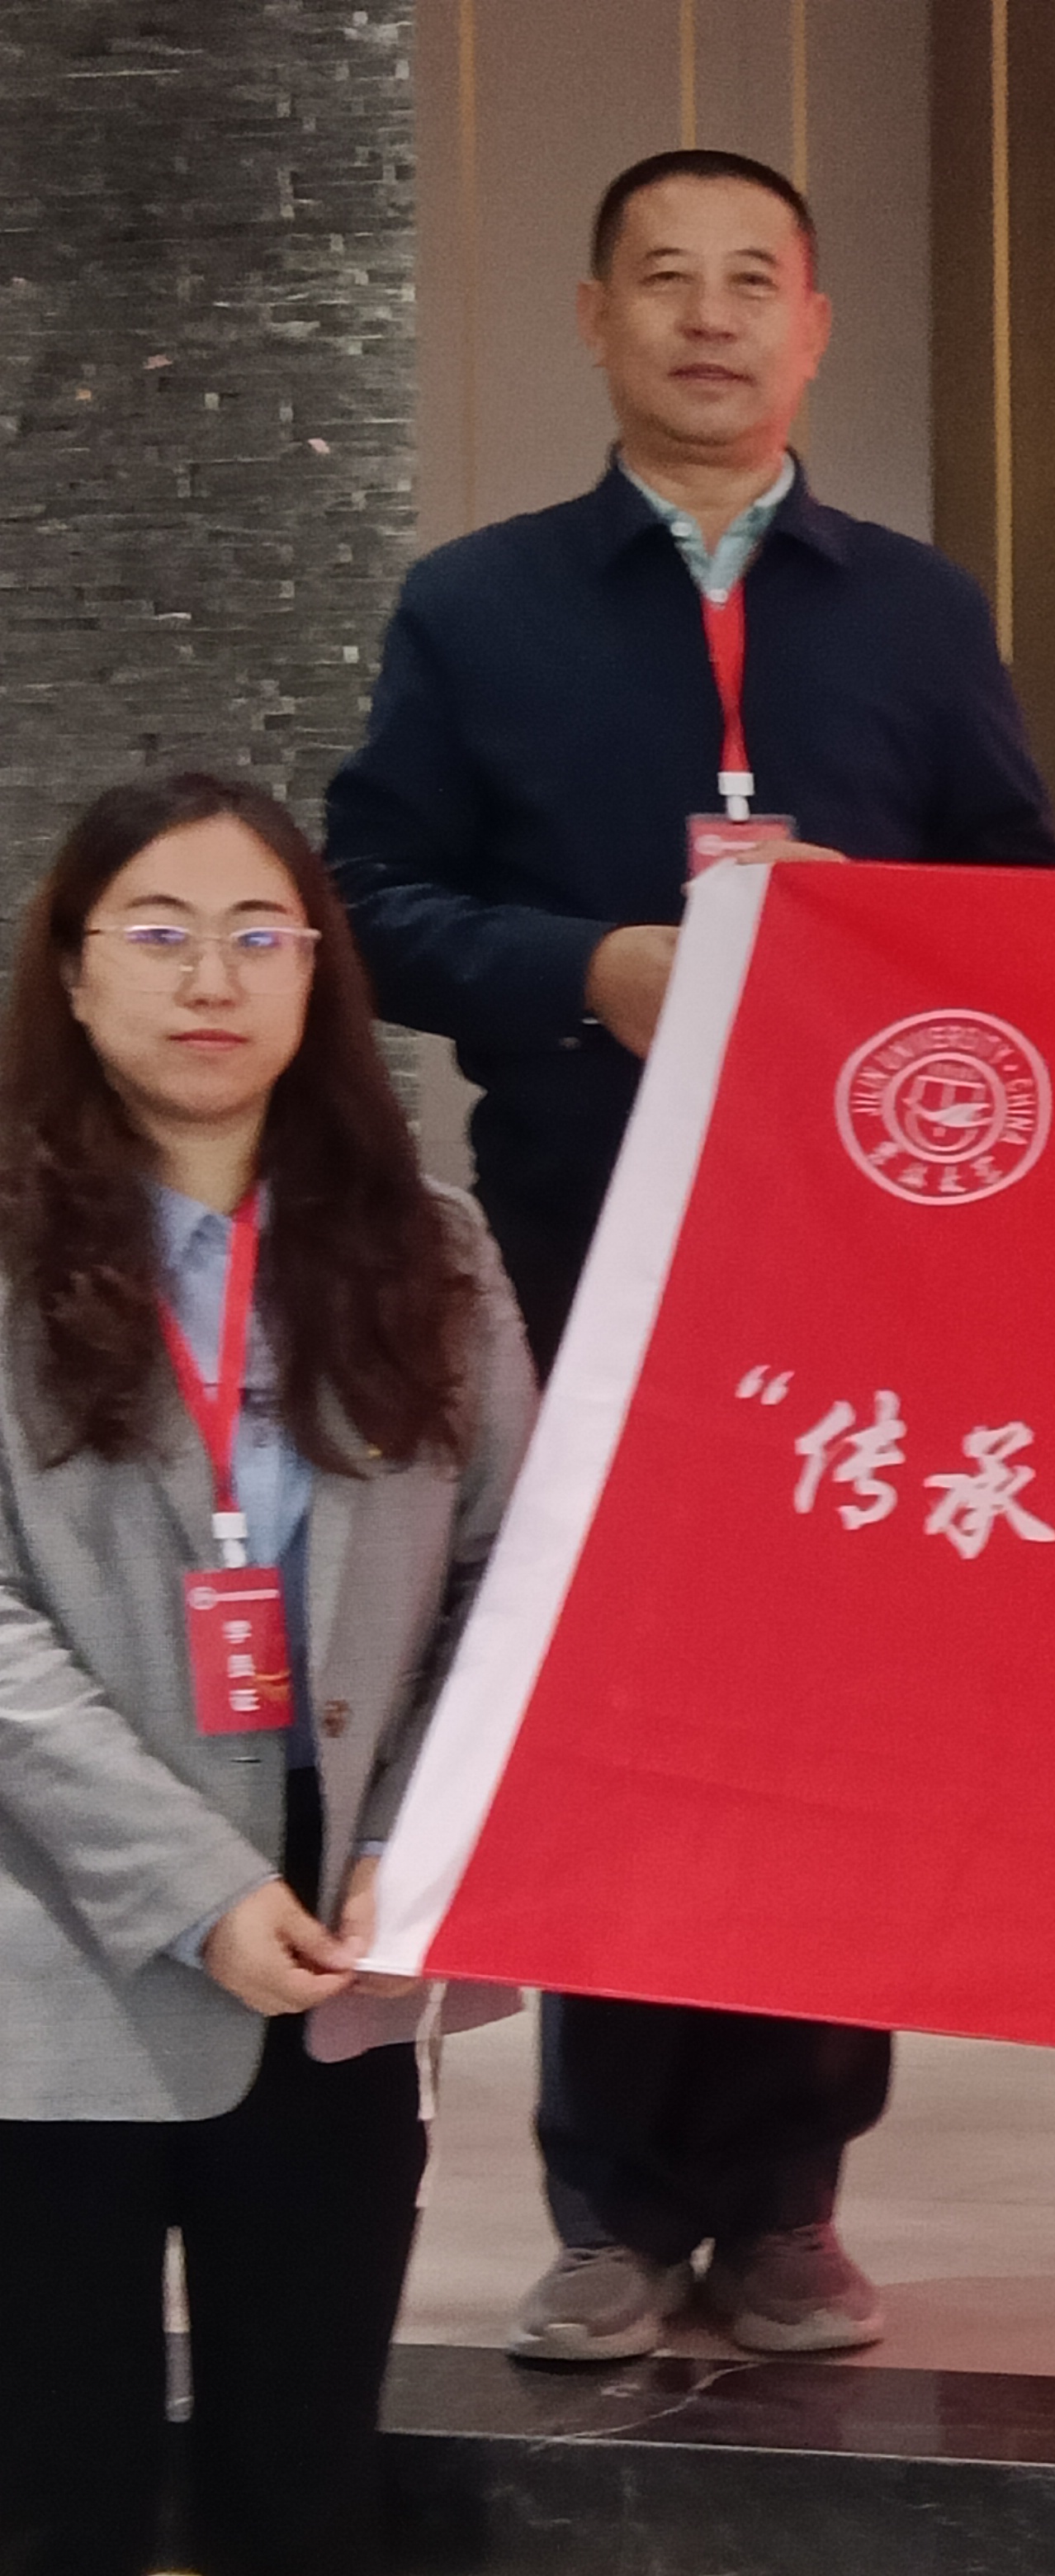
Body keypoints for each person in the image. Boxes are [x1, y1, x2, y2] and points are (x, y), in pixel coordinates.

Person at [324, 147, 1055, 2365]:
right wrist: (597, 969)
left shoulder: (915, 611)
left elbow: (1025, 913)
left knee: (825, 1713)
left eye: (755, 281)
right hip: (583, 1239)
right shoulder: (481, 606)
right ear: (596, 318)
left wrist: (894, 966)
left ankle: (791, 2197)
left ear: (813, 328)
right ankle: (615, 2204)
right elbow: (370, 909)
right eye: (667, 279)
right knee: (612, 1701)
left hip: (858, 1261)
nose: (712, 317)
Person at [0, 772, 538, 2576]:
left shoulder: (430, 1250)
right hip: (52, 1938)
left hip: (340, 1945)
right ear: (72, 972)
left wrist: (416, 1849)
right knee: (49, 2490)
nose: (210, 977)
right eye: (157, 933)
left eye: (259, 934)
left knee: (304, 2484)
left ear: (318, 973)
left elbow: (507, 1580)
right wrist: (191, 1888)